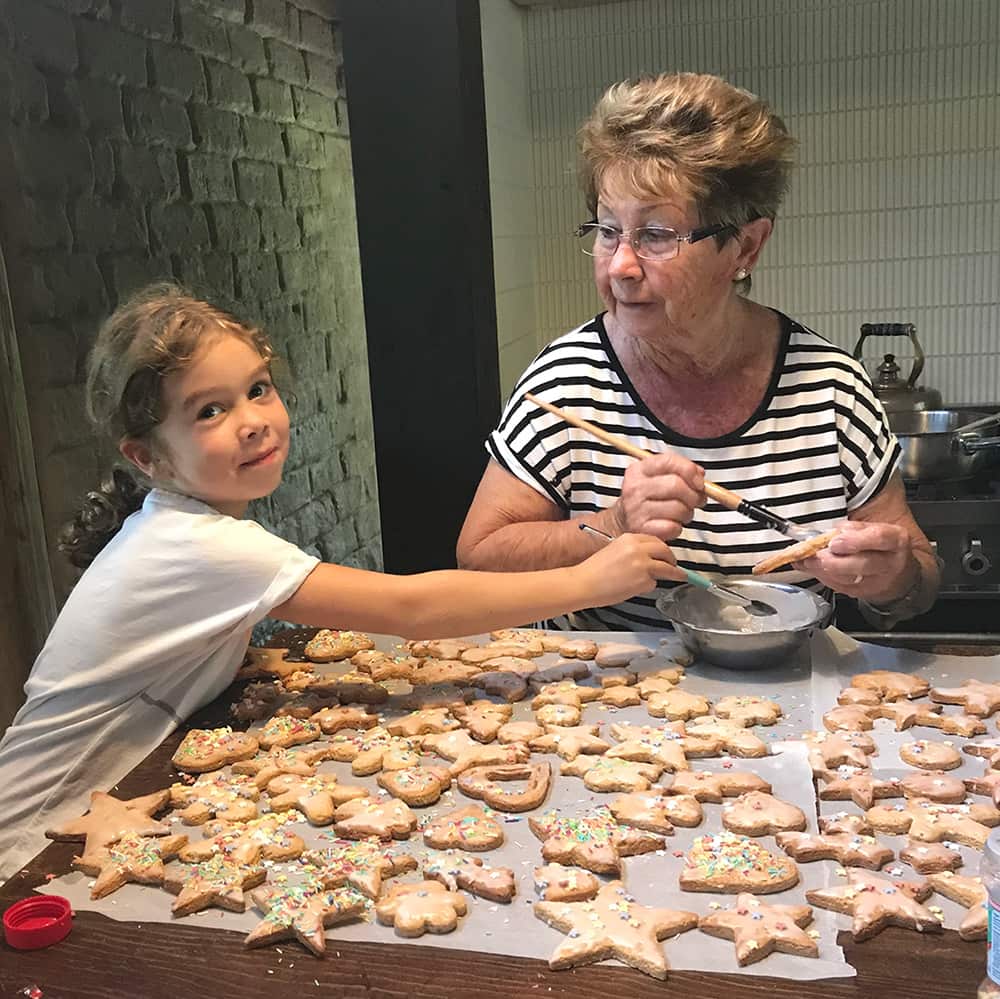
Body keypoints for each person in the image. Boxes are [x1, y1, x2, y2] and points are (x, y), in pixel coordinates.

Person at [0, 284, 680, 881]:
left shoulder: (182, 524)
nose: (253, 419)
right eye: (209, 411)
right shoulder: (200, 543)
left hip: (99, 802)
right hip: (31, 839)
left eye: (258, 388)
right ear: (147, 457)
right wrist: (589, 579)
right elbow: (410, 607)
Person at [457, 72, 940, 631]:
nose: (620, 266)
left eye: (658, 235)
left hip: (785, 699)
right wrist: (613, 523)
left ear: (747, 245)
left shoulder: (829, 386)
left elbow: (918, 580)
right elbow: (481, 555)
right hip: (601, 701)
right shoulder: (566, 379)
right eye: (609, 230)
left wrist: (892, 580)